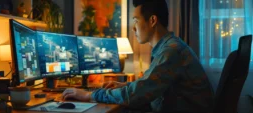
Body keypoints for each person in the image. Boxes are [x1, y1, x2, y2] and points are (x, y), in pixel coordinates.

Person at [62, 0, 213, 113]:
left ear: (152, 20)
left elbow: (134, 95)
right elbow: (149, 86)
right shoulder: (169, 47)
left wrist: (88, 95)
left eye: (136, 20)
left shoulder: (171, 51)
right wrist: (126, 86)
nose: (133, 27)